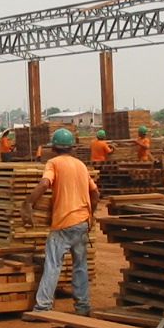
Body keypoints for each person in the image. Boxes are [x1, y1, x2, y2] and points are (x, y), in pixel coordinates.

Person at [22, 128, 99, 316]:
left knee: (53, 264)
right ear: (71, 147)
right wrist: (91, 215)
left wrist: (27, 203)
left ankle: (43, 307)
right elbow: (95, 193)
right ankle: (83, 307)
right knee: (80, 265)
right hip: (82, 222)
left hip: (63, 223)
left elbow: (44, 184)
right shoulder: (81, 165)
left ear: (54, 148)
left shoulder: (53, 163)